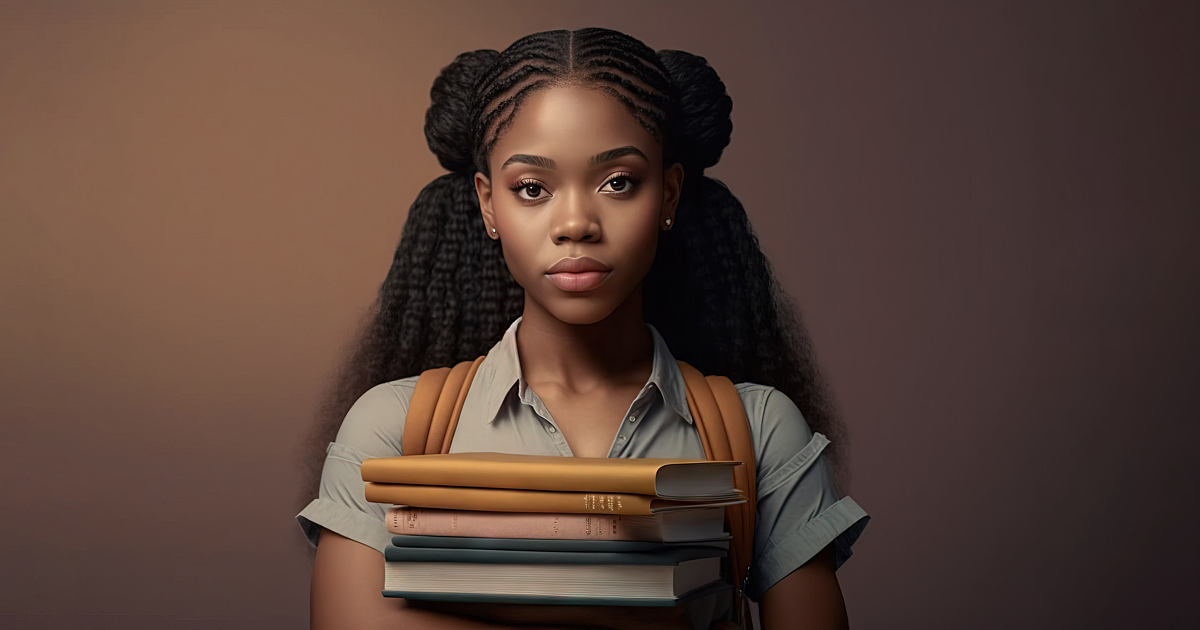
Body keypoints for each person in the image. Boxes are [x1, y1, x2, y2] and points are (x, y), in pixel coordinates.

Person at [297, 27, 869, 630]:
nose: (575, 223)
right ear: (489, 204)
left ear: (669, 193)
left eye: (618, 181)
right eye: (532, 189)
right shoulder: (389, 431)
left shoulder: (758, 432)